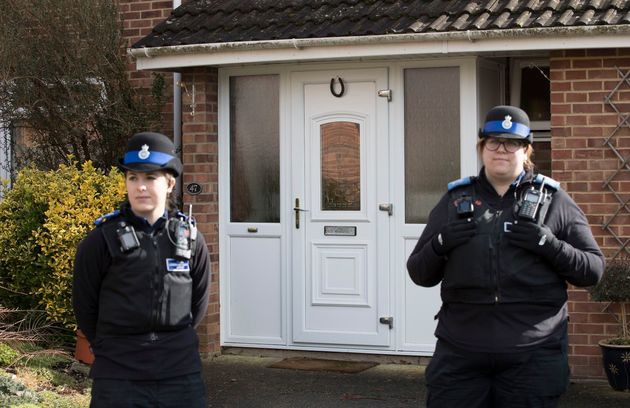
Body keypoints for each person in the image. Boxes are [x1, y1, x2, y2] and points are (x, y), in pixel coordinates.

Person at [407, 106, 604, 408]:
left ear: (526, 150)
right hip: (461, 355)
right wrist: (441, 243)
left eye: (511, 142)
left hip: (533, 356)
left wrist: (548, 244)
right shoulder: (454, 200)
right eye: (493, 141)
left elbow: (592, 270)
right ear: (482, 147)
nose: (502, 149)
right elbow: (419, 272)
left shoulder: (554, 201)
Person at [73, 132, 211, 408]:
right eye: (133, 178)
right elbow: (85, 307)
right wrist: (113, 350)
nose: (141, 187)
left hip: (180, 376)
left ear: (170, 182)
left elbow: (198, 304)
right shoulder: (100, 240)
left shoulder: (189, 239)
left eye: (150, 178)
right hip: (119, 378)